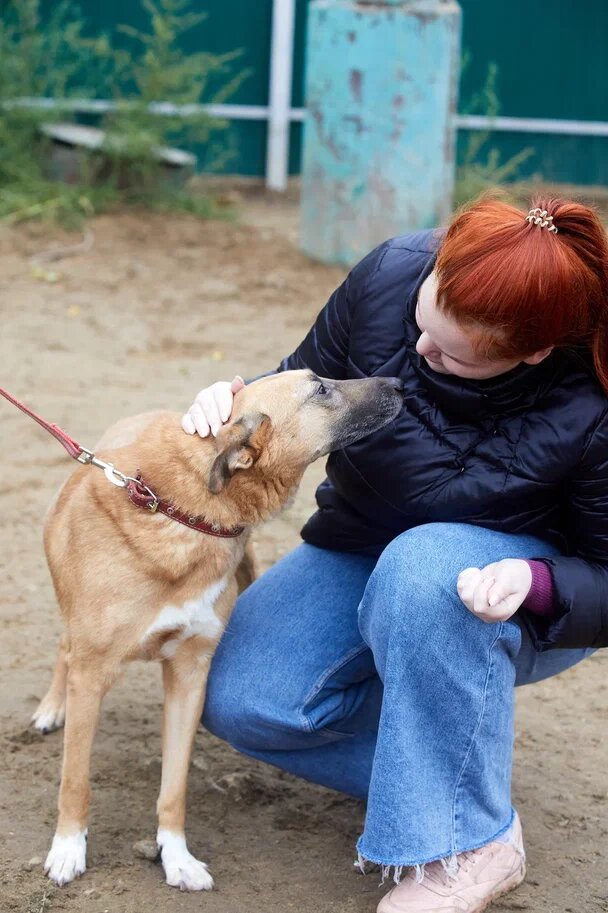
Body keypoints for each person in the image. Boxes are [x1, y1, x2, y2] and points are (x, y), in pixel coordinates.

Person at [181, 196, 608, 913]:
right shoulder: (390, 275)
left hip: (501, 590)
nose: (419, 352)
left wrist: (534, 581)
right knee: (240, 700)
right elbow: (298, 386)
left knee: (424, 569)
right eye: (423, 320)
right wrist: (228, 406)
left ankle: (471, 840)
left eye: (450, 352)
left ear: (532, 351)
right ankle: (458, 758)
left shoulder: (593, 395)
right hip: (360, 543)